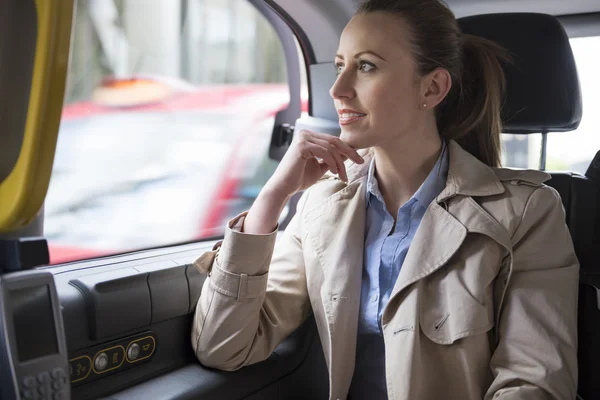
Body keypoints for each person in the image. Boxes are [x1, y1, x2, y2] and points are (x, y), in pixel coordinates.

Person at [190, 0, 579, 398]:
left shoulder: (527, 213)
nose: (338, 89)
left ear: (432, 88)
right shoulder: (321, 205)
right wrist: (273, 197)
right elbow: (222, 348)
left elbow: (532, 384)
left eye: (366, 66)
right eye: (340, 65)